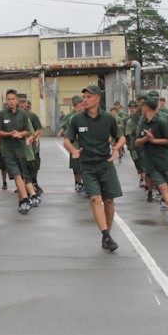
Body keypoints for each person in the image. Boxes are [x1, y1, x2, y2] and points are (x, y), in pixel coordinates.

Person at [64, 84, 125, 252]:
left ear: (98, 99)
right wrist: (73, 151)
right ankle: (106, 235)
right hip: (88, 165)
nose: (85, 100)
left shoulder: (108, 118)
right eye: (84, 97)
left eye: (89, 97)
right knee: (95, 199)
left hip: (105, 164)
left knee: (109, 201)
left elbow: (121, 137)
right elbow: (67, 140)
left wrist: (116, 148)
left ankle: (107, 235)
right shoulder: (77, 119)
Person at [136, 98, 168, 227]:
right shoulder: (142, 122)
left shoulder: (162, 121)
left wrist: (154, 140)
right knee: (162, 187)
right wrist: (146, 139)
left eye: (143, 106)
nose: (141, 109)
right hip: (150, 161)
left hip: (164, 159)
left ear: (147, 107)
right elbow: (137, 142)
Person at [0, 89, 39, 214]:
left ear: (17, 100)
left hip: (21, 150)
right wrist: (10, 134)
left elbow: (27, 131)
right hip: (8, 151)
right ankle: (26, 199)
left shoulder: (23, 114)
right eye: (9, 99)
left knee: (22, 177)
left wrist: (19, 134)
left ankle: (21, 203)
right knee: (16, 175)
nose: (11, 101)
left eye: (13, 99)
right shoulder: (2, 114)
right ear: (6, 100)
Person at [59, 95, 85, 192]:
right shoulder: (70, 116)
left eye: (81, 103)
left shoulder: (86, 115)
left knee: (84, 166)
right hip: (74, 145)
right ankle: (78, 183)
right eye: (79, 104)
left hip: (84, 144)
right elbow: (63, 125)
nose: (81, 105)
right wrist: (62, 131)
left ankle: (86, 183)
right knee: (75, 166)